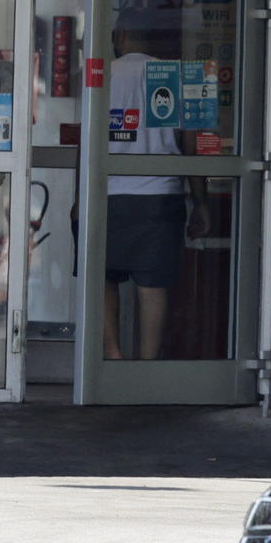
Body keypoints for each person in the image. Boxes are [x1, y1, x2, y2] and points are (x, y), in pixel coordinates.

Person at [101, 23, 187, 361]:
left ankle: (113, 356)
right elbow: (190, 137)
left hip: (108, 191)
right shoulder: (172, 74)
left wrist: (80, 200)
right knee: (152, 287)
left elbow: (86, 139)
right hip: (160, 192)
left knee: (104, 276)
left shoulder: (102, 73)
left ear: (120, 37)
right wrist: (202, 199)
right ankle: (147, 365)